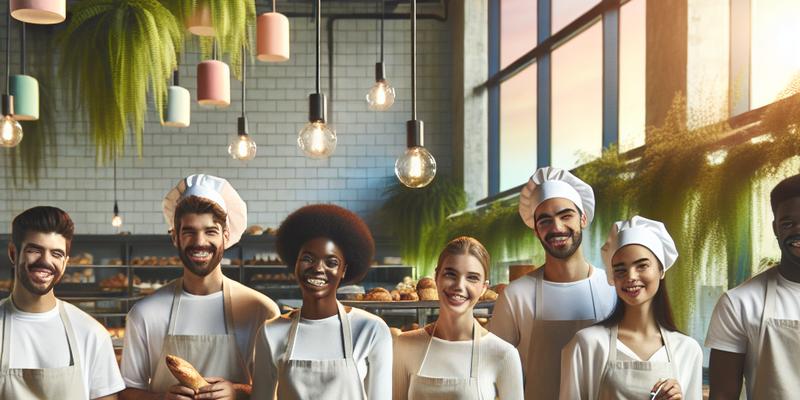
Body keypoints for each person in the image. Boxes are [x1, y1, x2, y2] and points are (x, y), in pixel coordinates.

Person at [120, 174, 280, 400]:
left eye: (210, 231)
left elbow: (276, 392)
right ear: (175, 237)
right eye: (189, 232)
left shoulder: (261, 311)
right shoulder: (145, 313)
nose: (200, 242)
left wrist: (237, 391)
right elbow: (125, 393)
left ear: (225, 236)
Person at [489, 166, 617, 400]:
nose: (556, 228)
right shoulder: (516, 296)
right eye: (545, 221)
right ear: (536, 230)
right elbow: (493, 374)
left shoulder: (612, 289)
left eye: (565, 215)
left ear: (583, 218)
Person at [250, 204, 392, 399]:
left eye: (331, 262)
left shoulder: (371, 330)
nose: (318, 268)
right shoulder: (270, 332)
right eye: (308, 258)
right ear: (296, 263)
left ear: (343, 270)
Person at [560, 216, 703, 399]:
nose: (631, 277)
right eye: (620, 269)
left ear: (661, 270)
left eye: (642, 266)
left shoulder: (687, 350)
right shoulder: (588, 344)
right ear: (613, 277)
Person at [2, 206, 124, 399]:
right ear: (13, 253)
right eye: (34, 250)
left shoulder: (92, 334)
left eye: (56, 254)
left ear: (66, 262)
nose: (45, 261)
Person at [392, 236, 524, 399]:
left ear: (483, 288)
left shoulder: (503, 354)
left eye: (472, 277)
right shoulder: (404, 345)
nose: (459, 286)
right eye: (450, 274)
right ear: (436, 278)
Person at [706, 174, 800, 399]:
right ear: (775, 229)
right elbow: (722, 395)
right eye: (788, 223)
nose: (798, 231)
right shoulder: (739, 303)